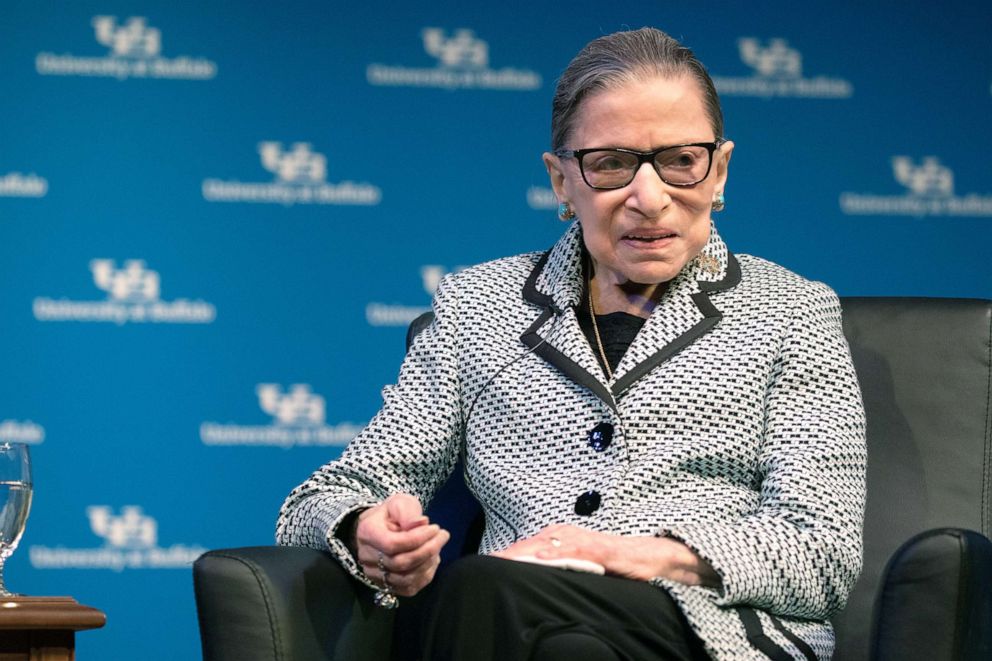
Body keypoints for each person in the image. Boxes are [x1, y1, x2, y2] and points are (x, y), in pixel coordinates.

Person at [277, 26, 866, 660]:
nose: (650, 197)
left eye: (680, 161)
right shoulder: (478, 305)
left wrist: (620, 555)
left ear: (718, 170)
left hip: (713, 633)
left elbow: (822, 548)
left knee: (489, 592)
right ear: (562, 182)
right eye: (611, 164)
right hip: (519, 622)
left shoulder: (792, 310)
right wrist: (366, 531)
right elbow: (320, 498)